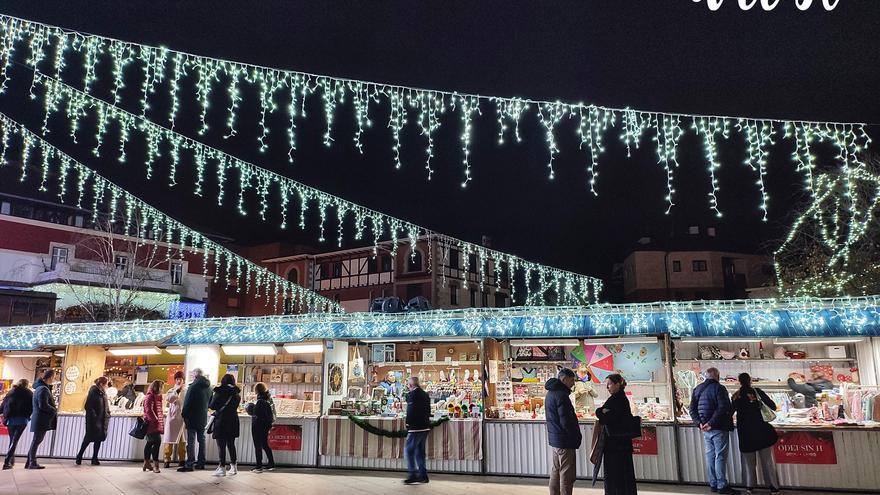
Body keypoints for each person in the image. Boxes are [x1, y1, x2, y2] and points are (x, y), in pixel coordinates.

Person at [690, 368, 738, 495]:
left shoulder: (697, 389)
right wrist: (711, 423)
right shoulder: (719, 388)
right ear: (717, 376)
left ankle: (713, 483)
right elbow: (723, 407)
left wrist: (699, 423)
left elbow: (692, 410)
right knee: (720, 456)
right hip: (718, 428)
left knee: (710, 456)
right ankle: (722, 485)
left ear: (706, 376)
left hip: (705, 429)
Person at [732, 373, 780, 495]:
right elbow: (773, 406)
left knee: (749, 464)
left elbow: (730, 412)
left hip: (745, 434)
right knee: (767, 461)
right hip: (761, 430)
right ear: (750, 380)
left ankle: (750, 487)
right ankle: (773, 487)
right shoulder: (757, 392)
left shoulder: (736, 395)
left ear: (739, 381)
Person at [596, 374, 637, 495]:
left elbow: (606, 418)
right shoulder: (620, 398)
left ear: (617, 384)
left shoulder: (616, 400)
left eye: (609, 384)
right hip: (621, 444)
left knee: (615, 475)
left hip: (615, 445)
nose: (607, 387)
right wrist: (601, 411)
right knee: (624, 474)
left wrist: (600, 411)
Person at [545, 368, 582, 495]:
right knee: (567, 474)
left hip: (556, 439)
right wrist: (575, 436)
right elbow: (566, 421)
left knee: (556, 470)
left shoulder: (551, 393)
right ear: (564, 379)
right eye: (571, 380)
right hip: (564, 440)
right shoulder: (562, 395)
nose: (573, 383)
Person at [179, 368, 211, 472]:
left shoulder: (193, 387)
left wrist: (184, 414)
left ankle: (190, 464)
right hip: (202, 417)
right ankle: (201, 463)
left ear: (195, 376)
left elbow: (187, 402)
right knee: (202, 440)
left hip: (192, 417)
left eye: (192, 375)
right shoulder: (209, 387)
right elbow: (210, 403)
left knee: (191, 440)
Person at [209, 373, 241, 477]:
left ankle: (222, 467)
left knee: (221, 445)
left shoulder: (220, 392)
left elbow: (212, 406)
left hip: (222, 421)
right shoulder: (237, 394)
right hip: (233, 420)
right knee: (231, 444)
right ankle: (234, 467)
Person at [27, 369, 58, 470]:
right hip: (41, 420)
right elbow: (43, 405)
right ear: (50, 377)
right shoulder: (43, 389)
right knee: (37, 441)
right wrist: (54, 409)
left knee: (36, 441)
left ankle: (29, 462)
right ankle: (32, 463)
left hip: (39, 419)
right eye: (54, 377)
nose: (54, 379)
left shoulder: (39, 388)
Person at [75, 377, 110, 466]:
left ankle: (95, 458)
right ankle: (79, 456)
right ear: (101, 384)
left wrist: (108, 413)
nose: (107, 386)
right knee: (88, 439)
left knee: (98, 440)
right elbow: (88, 406)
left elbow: (106, 406)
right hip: (93, 421)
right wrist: (94, 418)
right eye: (106, 384)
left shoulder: (103, 394)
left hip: (102, 420)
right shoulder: (93, 392)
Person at [403, 376, 430, 485]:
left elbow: (410, 410)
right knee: (420, 452)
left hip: (415, 428)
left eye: (408, 385)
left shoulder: (412, 395)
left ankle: (412, 474)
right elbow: (429, 410)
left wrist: (408, 422)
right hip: (425, 426)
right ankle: (423, 475)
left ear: (410, 385)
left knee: (409, 451)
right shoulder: (425, 394)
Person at [2, 379, 33, 470]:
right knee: (14, 441)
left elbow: (4, 404)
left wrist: (4, 414)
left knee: (12, 440)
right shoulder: (29, 393)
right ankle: (7, 462)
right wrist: (28, 416)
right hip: (22, 420)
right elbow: (32, 406)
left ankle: (11, 461)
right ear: (26, 385)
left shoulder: (11, 392)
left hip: (10, 420)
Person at [245, 382, 276, 473]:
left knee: (257, 445)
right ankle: (271, 463)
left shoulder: (260, 401)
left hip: (258, 426)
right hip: (266, 425)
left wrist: (250, 408)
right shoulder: (267, 398)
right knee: (265, 444)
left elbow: (257, 413)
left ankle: (259, 466)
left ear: (256, 390)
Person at [162, 371, 187, 468]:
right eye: (177, 379)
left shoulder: (186, 391)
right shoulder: (171, 390)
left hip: (183, 418)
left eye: (180, 379)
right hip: (172, 418)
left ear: (183, 380)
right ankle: (167, 459)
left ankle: (182, 459)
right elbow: (169, 399)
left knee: (182, 441)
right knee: (169, 440)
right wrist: (176, 391)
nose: (179, 381)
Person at [143, 380, 165, 473]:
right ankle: (156, 465)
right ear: (157, 387)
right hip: (152, 424)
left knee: (149, 443)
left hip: (153, 423)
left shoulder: (155, 396)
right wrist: (156, 420)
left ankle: (146, 463)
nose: (162, 389)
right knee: (157, 442)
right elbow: (149, 410)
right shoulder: (150, 396)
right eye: (161, 387)